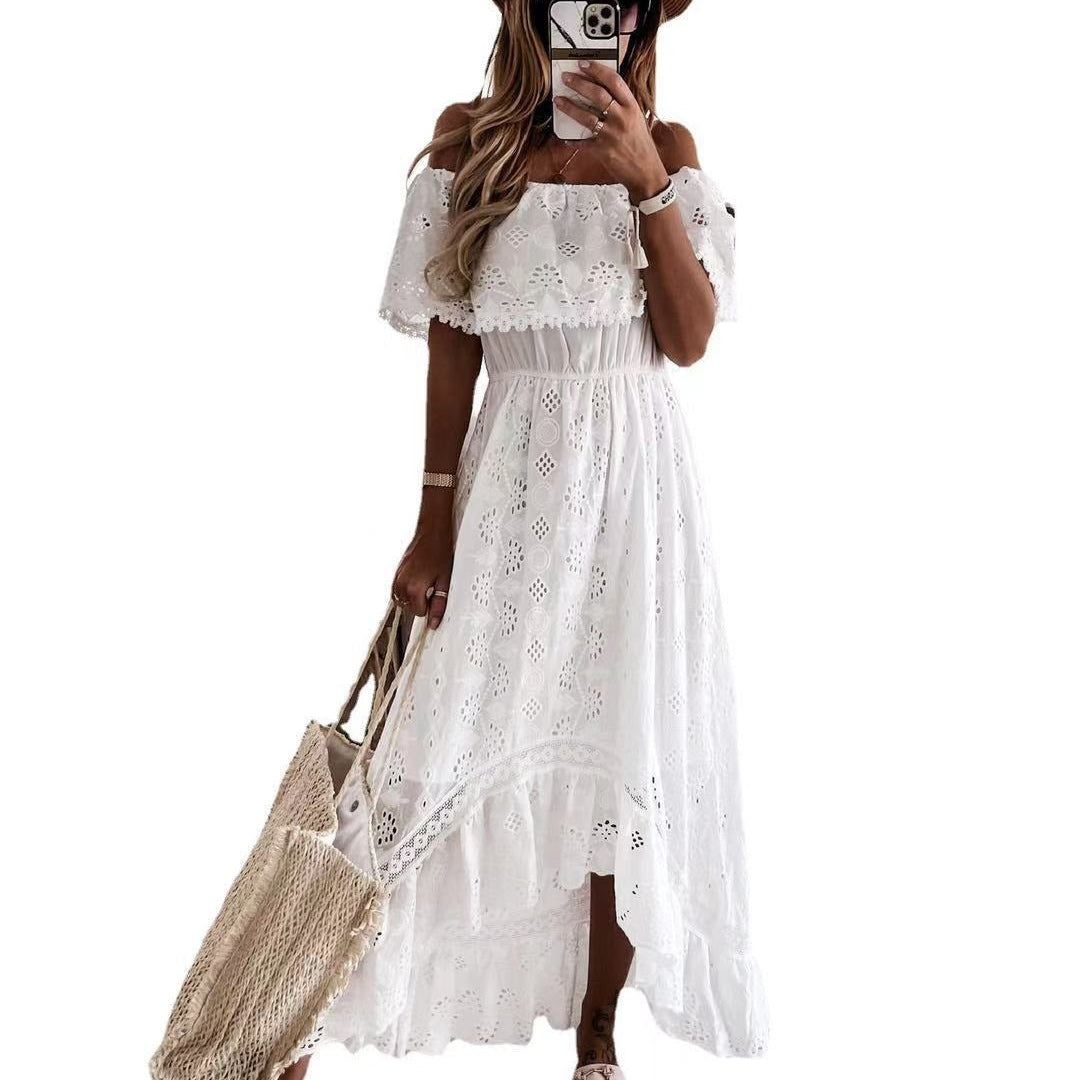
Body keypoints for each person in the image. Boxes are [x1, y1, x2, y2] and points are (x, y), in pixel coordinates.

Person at [288, 1, 767, 1076]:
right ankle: (297, 1004)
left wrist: (646, 176)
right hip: (512, 482)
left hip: (639, 493)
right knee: (425, 752)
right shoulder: (471, 141)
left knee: (620, 754)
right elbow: (453, 342)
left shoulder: (671, 149)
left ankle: (599, 1036)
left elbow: (687, 341)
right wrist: (431, 522)